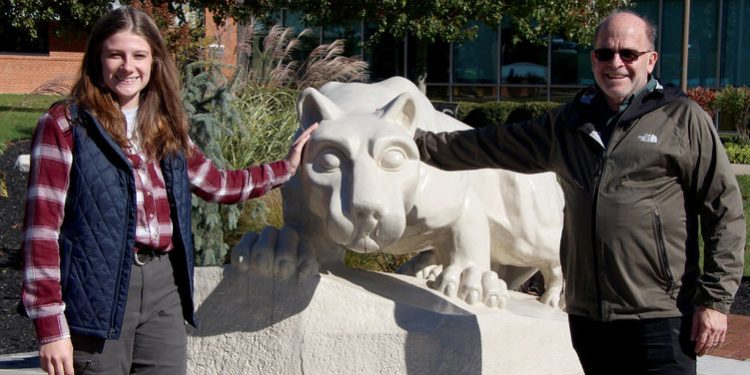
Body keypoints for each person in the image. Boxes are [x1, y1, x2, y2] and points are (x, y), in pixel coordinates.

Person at [413, 10, 745, 375]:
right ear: (593, 59)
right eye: (605, 53)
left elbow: (725, 213)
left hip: (660, 317)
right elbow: (493, 144)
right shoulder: (570, 122)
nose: (615, 63)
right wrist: (417, 145)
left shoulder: (682, 119)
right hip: (590, 317)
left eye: (628, 54)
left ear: (650, 60)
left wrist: (714, 300)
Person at [21, 6, 316, 375]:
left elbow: (218, 184)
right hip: (98, 292)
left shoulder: (164, 127)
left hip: (163, 288)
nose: (128, 66)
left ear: (154, 61)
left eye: (139, 55)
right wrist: (50, 328)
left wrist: (285, 168)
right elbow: (42, 232)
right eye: (116, 54)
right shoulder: (65, 124)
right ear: (98, 58)